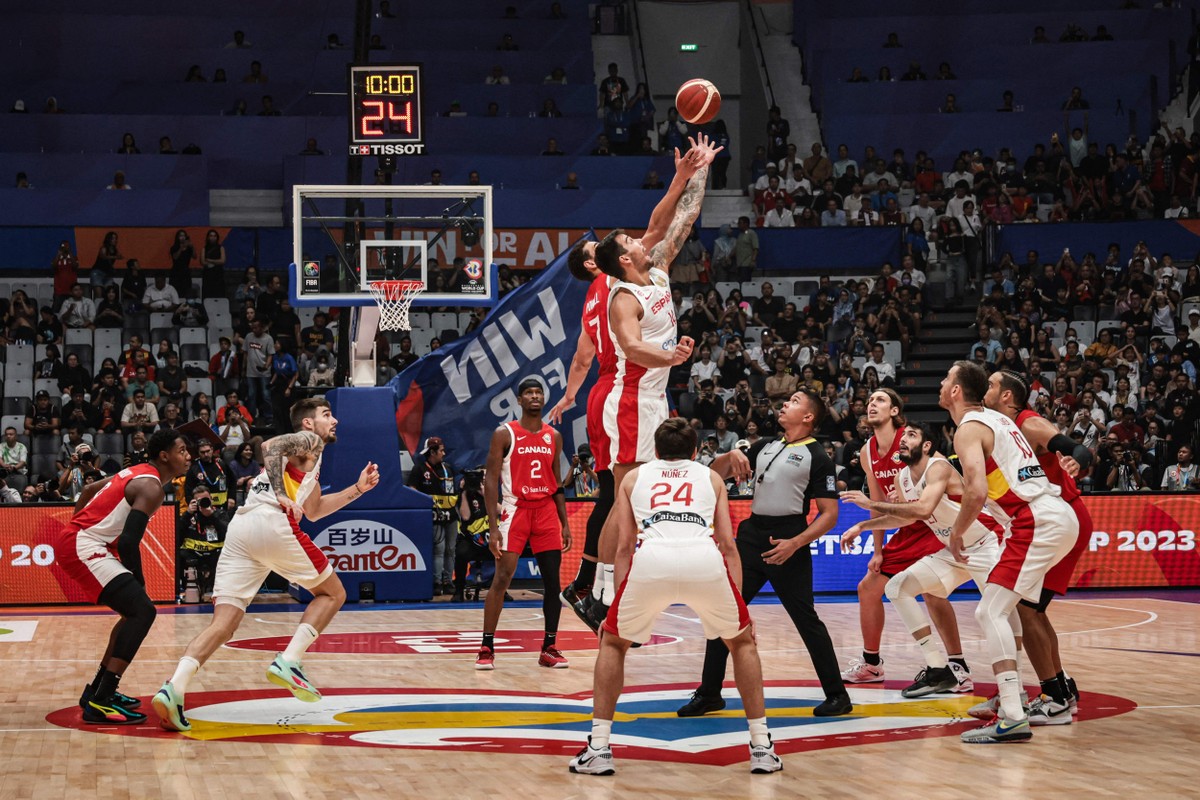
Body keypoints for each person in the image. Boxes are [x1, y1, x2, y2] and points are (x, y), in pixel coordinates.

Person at [549, 138, 717, 620]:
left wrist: (694, 172)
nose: (640, 241)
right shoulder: (617, 293)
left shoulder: (656, 271)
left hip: (645, 396)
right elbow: (628, 348)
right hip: (624, 398)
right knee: (623, 497)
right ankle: (598, 593)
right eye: (629, 243)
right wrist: (672, 356)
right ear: (612, 260)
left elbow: (671, 221)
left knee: (624, 497)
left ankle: (597, 588)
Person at [153, 399, 380, 732]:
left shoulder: (308, 461)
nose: (335, 421)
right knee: (333, 594)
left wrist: (357, 490)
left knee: (224, 624)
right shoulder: (309, 441)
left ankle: (174, 688)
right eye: (327, 415)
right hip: (271, 524)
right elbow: (269, 446)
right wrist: (281, 494)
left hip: (242, 531)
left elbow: (314, 509)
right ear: (307, 423)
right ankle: (289, 661)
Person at [570, 418, 780, 776]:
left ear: (655, 451)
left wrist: (616, 604)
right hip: (703, 557)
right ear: (695, 451)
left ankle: (599, 747)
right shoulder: (711, 478)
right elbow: (729, 546)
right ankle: (761, 746)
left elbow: (623, 548)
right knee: (742, 643)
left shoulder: (634, 478)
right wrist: (741, 607)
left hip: (654, 558)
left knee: (612, 642)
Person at [678, 389, 851, 718]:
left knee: (806, 620)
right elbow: (712, 474)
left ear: (809, 417)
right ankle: (709, 693)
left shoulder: (819, 456)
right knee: (724, 612)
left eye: (795, 402)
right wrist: (733, 457)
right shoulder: (766, 446)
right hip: (752, 537)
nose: (785, 404)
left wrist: (795, 543)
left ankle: (837, 695)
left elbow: (829, 515)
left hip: (788, 542)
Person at [940, 361, 1079, 744]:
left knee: (990, 610)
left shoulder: (968, 427)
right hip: (1051, 515)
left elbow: (976, 490)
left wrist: (957, 532)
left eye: (945, 379)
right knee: (1018, 611)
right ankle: (1027, 697)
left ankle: (1013, 714)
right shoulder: (997, 420)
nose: (940, 384)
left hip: (1036, 519)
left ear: (955, 391)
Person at [840, 423, 1003, 697]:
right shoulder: (901, 477)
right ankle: (939, 670)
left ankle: (1044, 684)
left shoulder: (938, 467)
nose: (903, 440)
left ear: (927, 445)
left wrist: (870, 503)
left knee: (1001, 615)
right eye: (903, 435)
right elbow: (908, 517)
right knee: (898, 588)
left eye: (911, 435)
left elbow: (924, 508)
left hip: (987, 544)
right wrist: (862, 527)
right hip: (953, 551)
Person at [54, 429, 192, 724]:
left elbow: (89, 491)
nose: (188, 456)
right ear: (165, 456)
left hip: (81, 540)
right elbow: (129, 542)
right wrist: (139, 581)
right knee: (142, 611)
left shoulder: (137, 471)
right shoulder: (152, 488)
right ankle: (102, 701)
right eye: (182, 450)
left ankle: (97, 692)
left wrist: (76, 525)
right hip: (84, 545)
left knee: (133, 613)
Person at [981, 370, 1092, 723]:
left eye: (992, 384)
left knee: (1026, 609)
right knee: (1033, 610)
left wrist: (1077, 457)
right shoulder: (999, 427)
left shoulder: (1026, 422)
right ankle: (1061, 688)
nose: (985, 387)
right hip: (1052, 520)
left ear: (1007, 398)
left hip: (1059, 516)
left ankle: (1053, 696)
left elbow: (1073, 446)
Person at [476, 379, 572, 670]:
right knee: (503, 577)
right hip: (515, 509)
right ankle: (486, 645)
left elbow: (556, 482)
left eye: (538, 393)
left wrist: (564, 522)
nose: (534, 397)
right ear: (519, 400)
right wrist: (493, 528)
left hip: (545, 511)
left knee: (553, 583)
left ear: (544, 399)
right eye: (529, 393)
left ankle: (549, 647)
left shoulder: (553, 436)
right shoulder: (504, 433)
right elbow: (490, 481)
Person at [407, 436, 458, 596]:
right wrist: (426, 503)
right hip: (433, 516)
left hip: (450, 515)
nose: (443, 453)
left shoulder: (448, 468)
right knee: (439, 549)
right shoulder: (420, 469)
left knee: (451, 549)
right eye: (441, 450)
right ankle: (436, 582)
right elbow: (411, 490)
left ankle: (448, 581)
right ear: (432, 452)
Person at [177, 484, 230, 598]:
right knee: (179, 556)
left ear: (211, 499)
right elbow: (177, 535)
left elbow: (227, 534)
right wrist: (187, 514)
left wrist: (212, 516)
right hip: (193, 552)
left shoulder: (220, 513)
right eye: (199, 501)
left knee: (226, 556)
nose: (203, 503)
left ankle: (219, 590)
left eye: (206, 500)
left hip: (214, 553)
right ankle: (186, 589)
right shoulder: (189, 515)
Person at [452, 467, 494, 602]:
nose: (482, 480)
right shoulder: (466, 495)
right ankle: (459, 591)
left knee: (505, 554)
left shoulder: (491, 493)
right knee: (461, 553)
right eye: (480, 477)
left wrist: (484, 494)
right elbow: (465, 516)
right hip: (471, 539)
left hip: (489, 538)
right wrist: (464, 493)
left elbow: (500, 509)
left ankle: (500, 590)